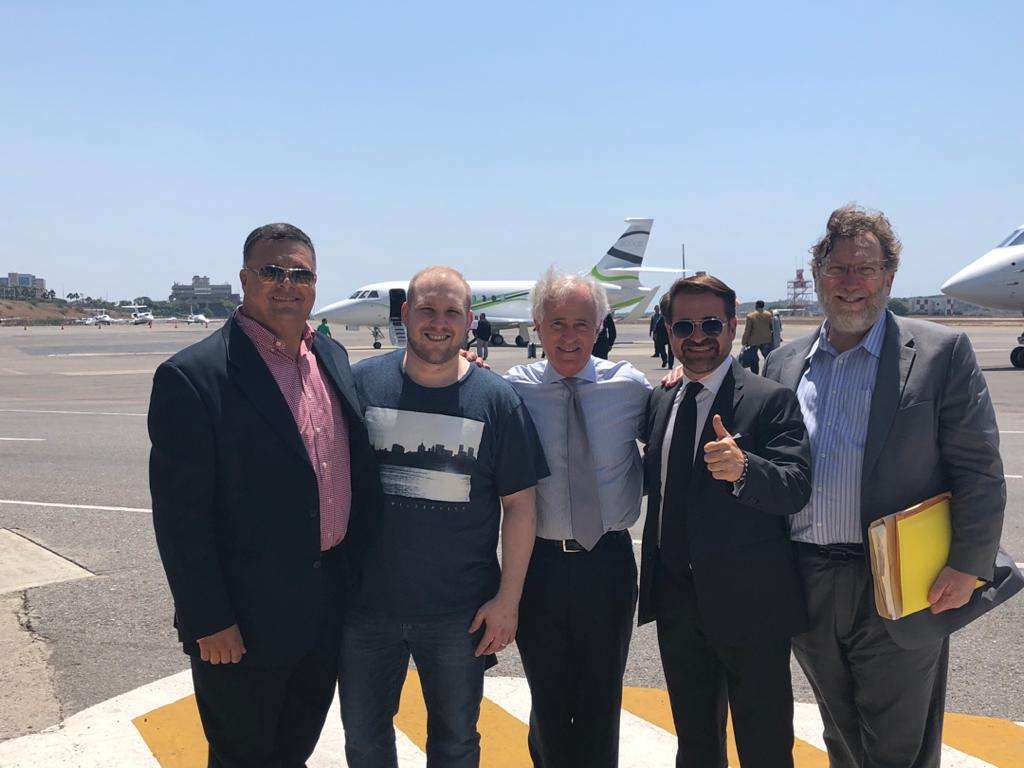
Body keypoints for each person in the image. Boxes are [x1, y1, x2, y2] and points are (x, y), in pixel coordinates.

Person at [763, 204, 1008, 768]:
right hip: (806, 579)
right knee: (839, 730)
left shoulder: (941, 353)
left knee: (898, 744)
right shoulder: (783, 363)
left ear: (889, 277)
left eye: (866, 269)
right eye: (838, 268)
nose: (851, 282)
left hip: (902, 578)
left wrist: (968, 564)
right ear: (818, 273)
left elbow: (979, 469)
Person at [149, 223, 378, 767]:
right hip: (242, 620)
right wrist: (209, 620)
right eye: (272, 271)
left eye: (300, 274)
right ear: (245, 279)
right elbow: (181, 520)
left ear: (315, 283)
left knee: (295, 749)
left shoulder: (331, 358)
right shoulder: (194, 376)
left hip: (324, 604)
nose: (286, 284)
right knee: (242, 756)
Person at [340, 266, 548, 768]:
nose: (439, 323)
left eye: (452, 312)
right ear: (405, 313)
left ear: (469, 320)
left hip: (459, 611)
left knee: (455, 743)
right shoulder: (361, 385)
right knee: (364, 741)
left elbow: (521, 506)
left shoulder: (496, 400)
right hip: (365, 608)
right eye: (427, 310)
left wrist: (508, 601)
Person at [640, 274, 812, 768]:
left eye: (711, 324)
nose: (698, 336)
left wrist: (745, 470)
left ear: (733, 327)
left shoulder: (769, 399)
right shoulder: (661, 400)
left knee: (765, 747)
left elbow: (796, 486)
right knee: (694, 745)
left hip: (750, 607)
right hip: (677, 604)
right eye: (684, 326)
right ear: (669, 331)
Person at [505, 268, 651, 767]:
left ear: (599, 328)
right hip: (539, 566)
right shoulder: (512, 389)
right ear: (537, 327)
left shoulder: (631, 387)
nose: (569, 337)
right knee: (547, 700)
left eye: (582, 324)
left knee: (601, 700)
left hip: (607, 562)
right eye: (557, 323)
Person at [740, 300, 774, 374]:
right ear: (763, 306)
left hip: (753, 341)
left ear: (756, 306)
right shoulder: (769, 315)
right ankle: (769, 374)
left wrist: (744, 341)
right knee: (768, 359)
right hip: (766, 340)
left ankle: (755, 375)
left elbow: (747, 330)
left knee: (754, 360)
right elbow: (772, 327)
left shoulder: (750, 316)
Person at [652, 300, 672, 368]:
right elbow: (656, 326)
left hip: (670, 336)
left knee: (671, 351)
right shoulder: (662, 318)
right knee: (662, 349)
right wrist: (655, 333)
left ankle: (670, 364)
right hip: (662, 336)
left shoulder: (672, 317)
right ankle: (665, 360)